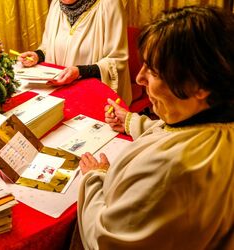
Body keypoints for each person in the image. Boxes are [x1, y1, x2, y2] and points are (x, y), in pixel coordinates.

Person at [76, 6, 233, 249]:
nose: (139, 78)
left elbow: (104, 240)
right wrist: (130, 121)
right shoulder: (215, 120)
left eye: (154, 70)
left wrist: (96, 177)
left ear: (200, 84)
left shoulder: (173, 169)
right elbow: (172, 132)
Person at [19, 0, 132, 105]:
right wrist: (37, 55)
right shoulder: (56, 4)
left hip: (91, 96)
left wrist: (80, 72)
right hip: (57, 94)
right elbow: (49, 47)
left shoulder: (109, 4)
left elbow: (117, 60)